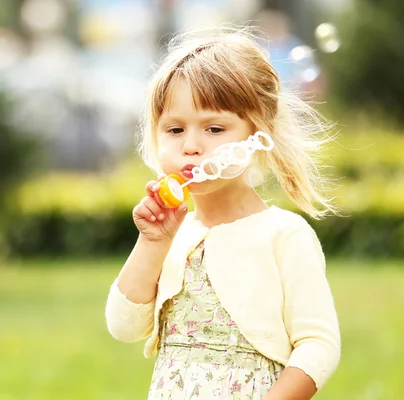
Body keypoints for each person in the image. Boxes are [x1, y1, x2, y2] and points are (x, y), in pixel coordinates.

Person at [104, 27, 340, 400]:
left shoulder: (283, 234)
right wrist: (152, 242)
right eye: (175, 129)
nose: (192, 146)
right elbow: (124, 326)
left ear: (260, 131)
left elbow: (318, 345)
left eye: (215, 128)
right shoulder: (172, 234)